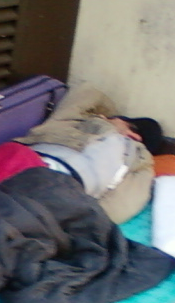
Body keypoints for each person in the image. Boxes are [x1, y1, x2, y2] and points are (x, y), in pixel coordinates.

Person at [12, 83, 165, 223]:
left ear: (134, 136)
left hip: (48, 182)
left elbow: (121, 206)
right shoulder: (80, 122)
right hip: (27, 168)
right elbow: (87, 92)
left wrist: (110, 122)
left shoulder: (139, 157)